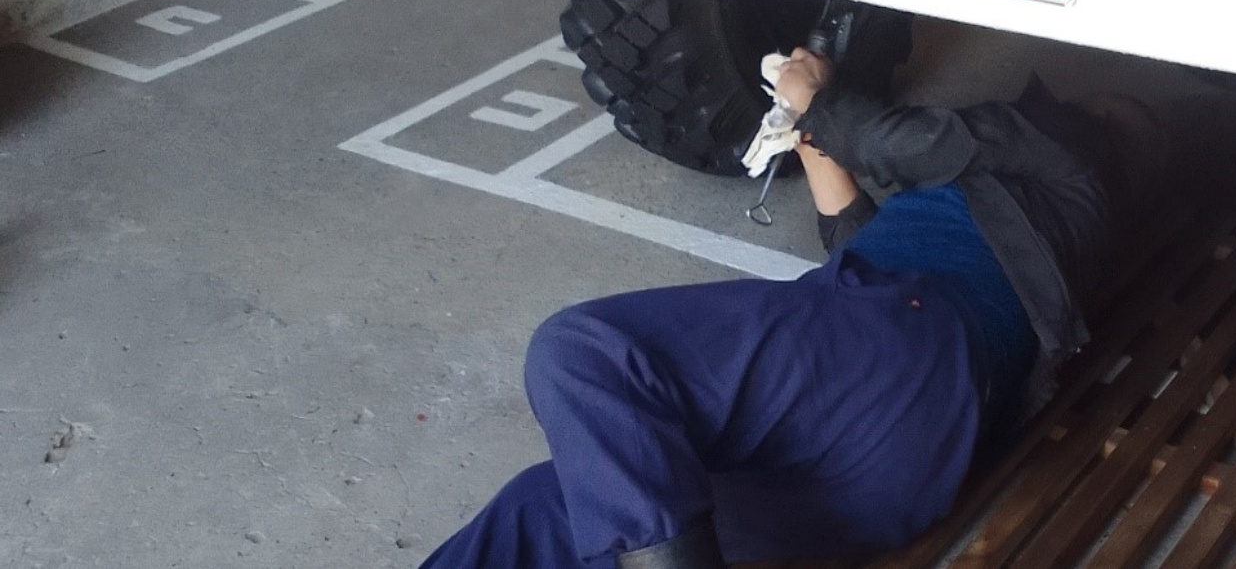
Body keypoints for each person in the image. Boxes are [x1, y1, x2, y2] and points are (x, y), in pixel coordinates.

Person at [417, 48, 1165, 569]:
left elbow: (905, 141)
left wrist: (818, 96)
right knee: (547, 505)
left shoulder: (1070, 148)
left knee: (587, 352)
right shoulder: (1022, 229)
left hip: (903, 356)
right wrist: (810, 133)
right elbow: (857, 247)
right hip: (887, 465)